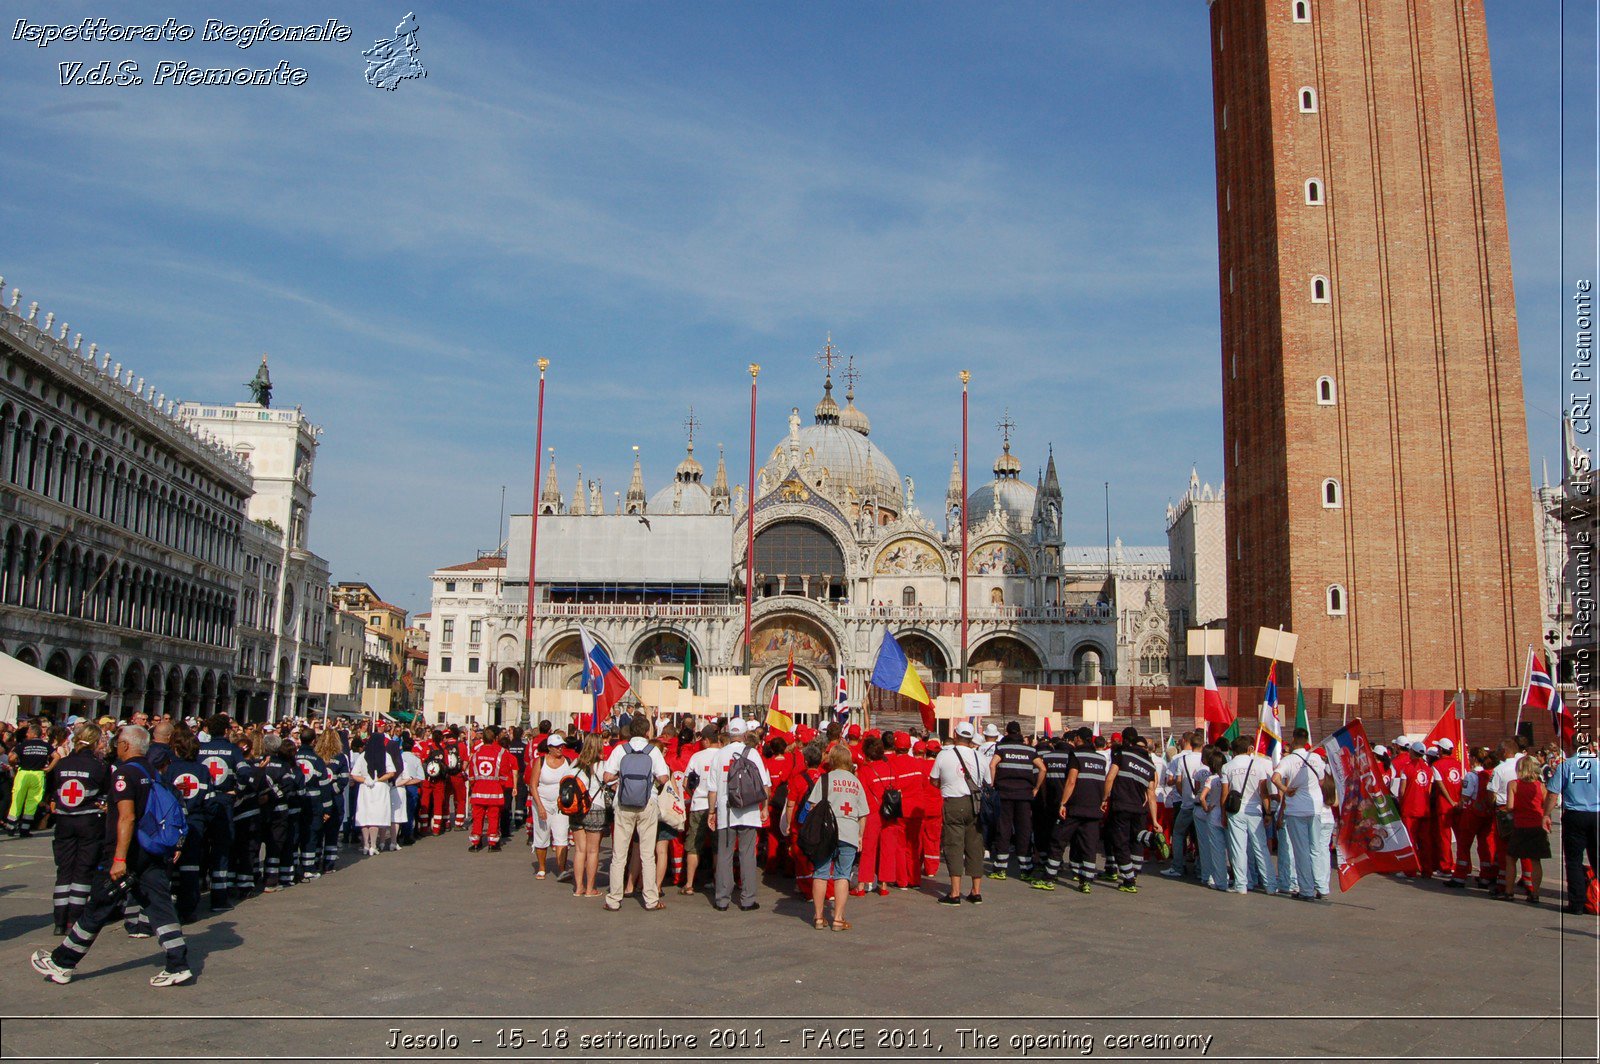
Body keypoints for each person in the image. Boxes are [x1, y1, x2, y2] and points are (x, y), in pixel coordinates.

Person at [30, 725, 193, 987]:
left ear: (127, 746)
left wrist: (118, 858)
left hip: (126, 853)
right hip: (150, 850)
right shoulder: (154, 772)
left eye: (118, 742)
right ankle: (178, 962)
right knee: (159, 905)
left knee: (98, 905)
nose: (116, 746)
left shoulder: (125, 773)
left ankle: (63, 962)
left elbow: (127, 817)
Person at [45, 722, 110, 935]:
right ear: (94, 743)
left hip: (64, 822)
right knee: (83, 869)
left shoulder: (63, 764)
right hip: (89, 823)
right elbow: (105, 796)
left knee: (64, 870)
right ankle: (75, 918)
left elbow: (55, 791)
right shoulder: (100, 766)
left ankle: (59, 920)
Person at [602, 716, 670, 912]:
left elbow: (606, 777)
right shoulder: (653, 751)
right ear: (648, 732)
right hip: (647, 803)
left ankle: (614, 899)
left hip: (623, 804)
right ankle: (650, 899)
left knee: (619, 855)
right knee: (648, 855)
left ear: (630, 731)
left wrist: (621, 778)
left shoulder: (620, 750)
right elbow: (664, 777)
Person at [706, 718, 770, 912]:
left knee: (724, 855)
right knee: (747, 855)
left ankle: (722, 900)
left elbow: (712, 789)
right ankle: (748, 899)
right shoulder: (753, 754)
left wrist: (711, 811)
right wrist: (764, 808)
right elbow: (764, 785)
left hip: (726, 812)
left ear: (728, 734)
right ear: (744, 735)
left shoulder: (718, 755)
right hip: (748, 811)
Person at [807, 744, 869, 930]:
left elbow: (812, 807)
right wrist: (860, 835)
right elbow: (863, 813)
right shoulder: (856, 782)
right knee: (843, 875)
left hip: (826, 833)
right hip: (849, 831)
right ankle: (838, 919)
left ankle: (818, 917)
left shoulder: (824, 779)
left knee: (820, 873)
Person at [930, 721, 987, 905]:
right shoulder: (980, 757)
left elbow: (933, 780)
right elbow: (988, 781)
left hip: (953, 801)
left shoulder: (943, 755)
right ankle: (976, 891)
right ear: (971, 738)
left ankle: (955, 893)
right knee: (975, 845)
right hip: (976, 804)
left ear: (955, 734)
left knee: (954, 845)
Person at [1102, 728, 1165, 894]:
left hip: (1121, 805)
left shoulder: (1122, 755)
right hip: (1139, 808)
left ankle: (1129, 879)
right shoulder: (1149, 765)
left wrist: (1104, 798)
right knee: (1136, 839)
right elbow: (1151, 794)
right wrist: (1155, 821)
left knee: (1120, 842)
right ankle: (1149, 841)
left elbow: (1110, 778)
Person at [161, 726, 213, 921]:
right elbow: (209, 800)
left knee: (168, 864)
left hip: (173, 823)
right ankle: (188, 908)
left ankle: (166, 906)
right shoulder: (202, 770)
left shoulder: (170, 769)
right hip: (195, 821)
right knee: (191, 866)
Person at [1272, 729, 1329, 901]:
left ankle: (1306, 889)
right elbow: (1322, 779)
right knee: (1316, 848)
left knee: (1301, 850)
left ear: (1294, 739)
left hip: (1296, 808)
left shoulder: (1288, 760)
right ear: (1306, 740)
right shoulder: (1316, 758)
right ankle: (1322, 886)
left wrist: (1286, 790)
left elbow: (1275, 778)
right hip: (1315, 806)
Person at [987, 721, 1045, 882]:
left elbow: (992, 765)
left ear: (1007, 732)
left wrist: (993, 784)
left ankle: (1001, 867)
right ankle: (1025, 868)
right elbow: (1043, 769)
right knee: (1024, 830)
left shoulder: (1002, 748)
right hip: (1024, 795)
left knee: (1004, 829)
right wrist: (1036, 788)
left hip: (1005, 794)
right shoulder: (1030, 750)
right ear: (1020, 733)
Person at [1546, 740, 1599, 914]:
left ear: (1572, 747)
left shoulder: (1566, 765)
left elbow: (1553, 793)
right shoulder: (1598, 764)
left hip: (1575, 814)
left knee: (1573, 860)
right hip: (1597, 814)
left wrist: (1546, 814)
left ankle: (1576, 903)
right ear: (1591, 747)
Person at [1221, 736, 1274, 894]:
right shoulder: (1258, 765)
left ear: (1234, 750)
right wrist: (1268, 812)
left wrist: (1223, 814)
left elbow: (1225, 793)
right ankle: (1270, 885)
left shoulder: (1227, 767)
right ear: (1249, 749)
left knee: (1238, 848)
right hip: (1255, 810)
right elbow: (1264, 792)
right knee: (1261, 848)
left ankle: (1241, 884)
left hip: (1236, 811)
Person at [259, 733, 302, 891]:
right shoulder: (284, 766)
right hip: (279, 812)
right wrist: (274, 795)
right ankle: (270, 881)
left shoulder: (260, 763)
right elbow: (288, 787)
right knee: (274, 846)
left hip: (260, 811)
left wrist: (264, 797)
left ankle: (255, 877)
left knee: (256, 846)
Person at [681, 725, 721, 895]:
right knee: (718, 846)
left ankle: (689, 884)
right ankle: (718, 882)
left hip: (699, 804)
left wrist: (695, 793)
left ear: (705, 740)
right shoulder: (723, 755)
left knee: (694, 845)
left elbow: (685, 783)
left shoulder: (697, 757)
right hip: (719, 806)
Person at [568, 734, 609, 898]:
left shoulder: (575, 763)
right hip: (596, 807)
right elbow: (611, 781)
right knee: (593, 851)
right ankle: (590, 888)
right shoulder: (601, 765)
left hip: (576, 808)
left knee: (579, 850)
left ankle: (579, 887)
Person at [1506, 755, 1550, 904]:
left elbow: (1510, 807)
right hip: (1537, 825)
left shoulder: (1513, 784)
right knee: (1535, 860)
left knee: (1511, 858)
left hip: (1520, 825)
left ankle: (1509, 891)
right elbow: (1545, 805)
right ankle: (1535, 893)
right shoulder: (1540, 786)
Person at [529, 734, 576, 875]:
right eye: (556, 747)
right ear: (549, 748)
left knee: (561, 835)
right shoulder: (540, 761)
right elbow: (533, 785)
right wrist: (540, 807)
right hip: (542, 802)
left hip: (561, 805)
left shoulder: (568, 761)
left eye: (561, 746)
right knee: (542, 835)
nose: (560, 749)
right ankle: (542, 868)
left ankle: (561, 869)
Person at [1163, 731, 1205, 878]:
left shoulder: (1181, 759)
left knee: (1179, 834)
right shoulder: (1205, 759)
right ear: (1203, 744)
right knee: (1200, 837)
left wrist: (1184, 795)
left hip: (1186, 803)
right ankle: (1201, 868)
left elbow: (1177, 782)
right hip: (1202, 803)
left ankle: (1177, 866)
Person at [351, 733, 399, 857]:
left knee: (365, 816)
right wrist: (379, 779)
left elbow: (354, 774)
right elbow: (392, 772)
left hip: (366, 788)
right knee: (375, 817)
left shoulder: (362, 756)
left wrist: (365, 779)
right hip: (379, 787)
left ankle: (366, 845)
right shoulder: (385, 755)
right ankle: (373, 845)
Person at [6, 720, 53, 837]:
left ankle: (11, 827)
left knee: (17, 799)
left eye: (28, 732)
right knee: (33, 801)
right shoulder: (46, 745)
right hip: (38, 774)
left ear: (33, 733)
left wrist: (12, 765)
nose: (26, 734)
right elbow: (56, 756)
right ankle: (25, 829)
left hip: (23, 774)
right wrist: (49, 768)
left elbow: (12, 758)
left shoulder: (24, 745)